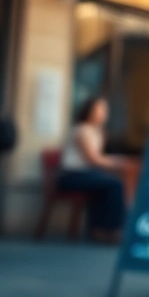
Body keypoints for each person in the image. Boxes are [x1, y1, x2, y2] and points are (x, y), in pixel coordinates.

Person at [57, 96, 128, 244]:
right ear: (89, 111)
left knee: (108, 185)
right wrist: (118, 162)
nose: (102, 113)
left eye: (105, 110)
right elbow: (93, 159)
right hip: (72, 176)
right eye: (99, 109)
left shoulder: (98, 132)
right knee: (114, 184)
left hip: (87, 175)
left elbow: (98, 159)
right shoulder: (82, 130)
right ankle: (111, 230)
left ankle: (101, 229)